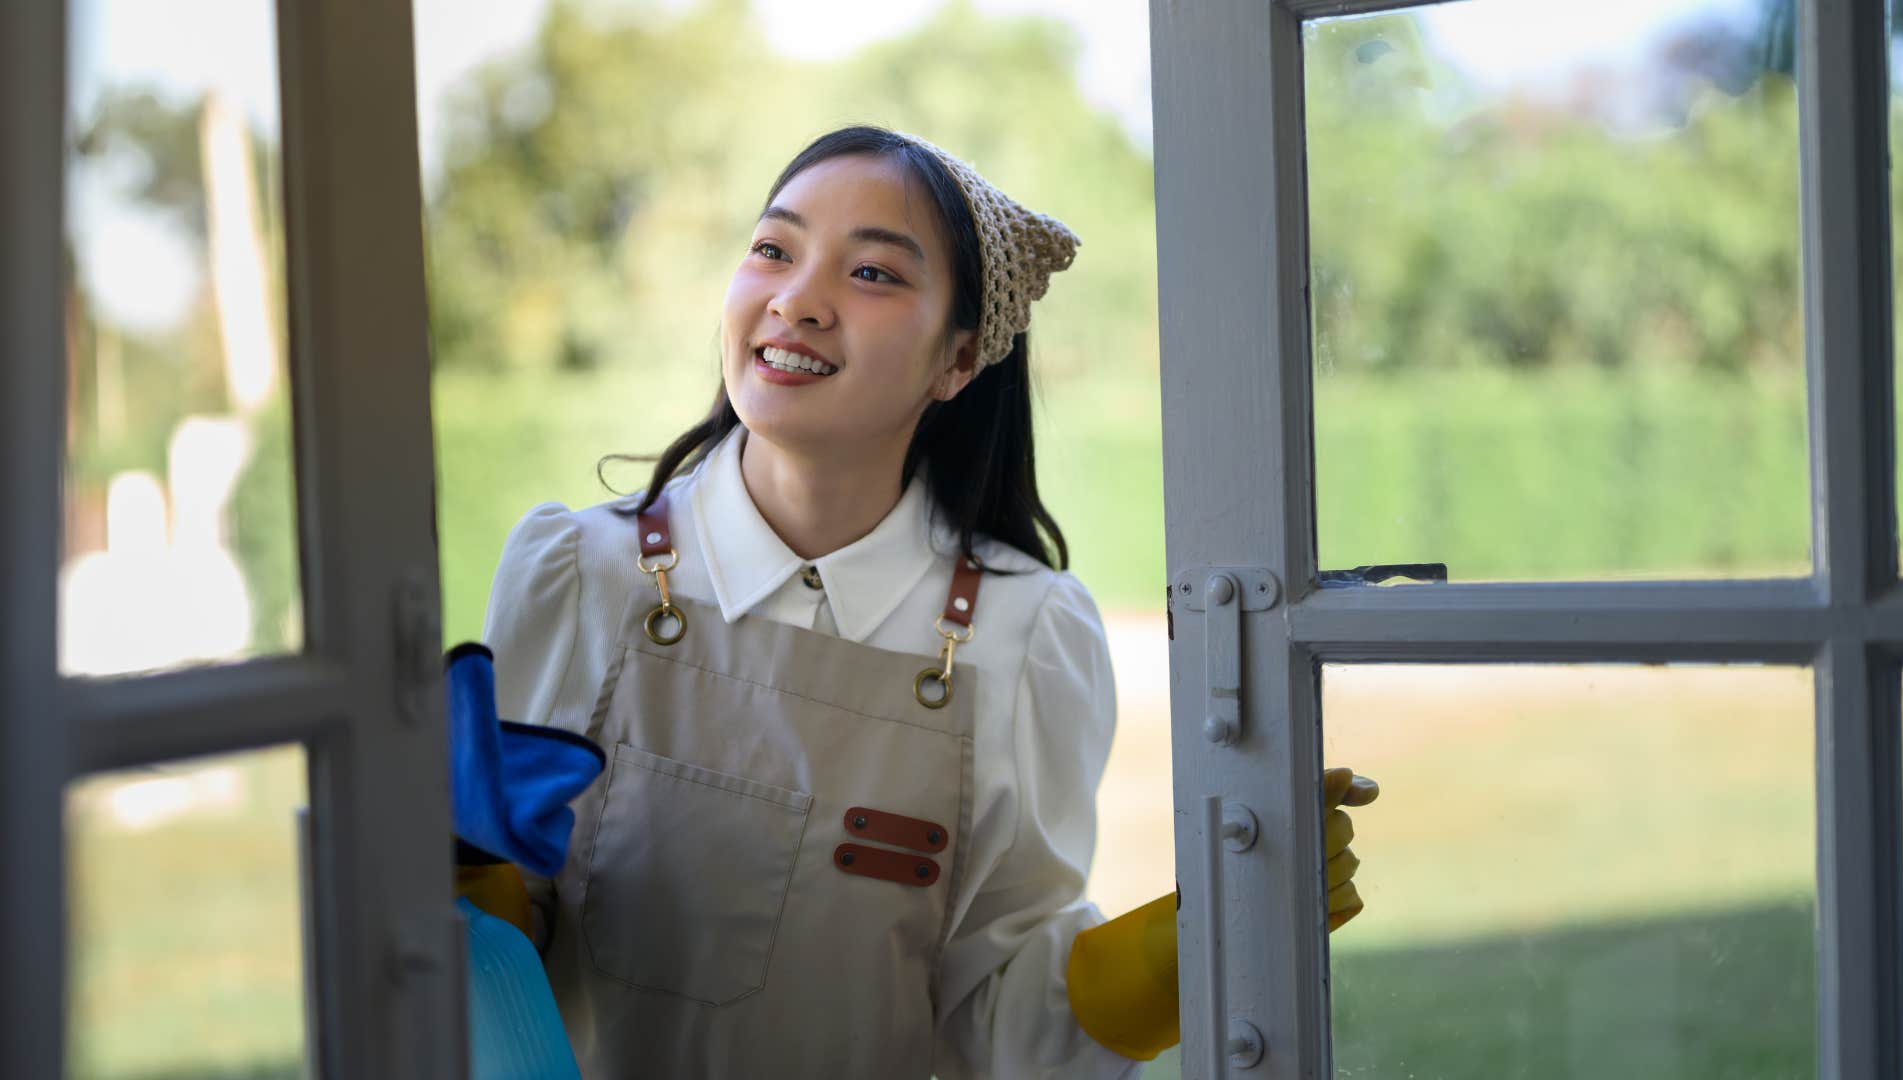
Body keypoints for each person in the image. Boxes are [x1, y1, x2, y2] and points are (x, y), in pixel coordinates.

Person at [478, 125, 1376, 1078]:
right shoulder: (577, 572)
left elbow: (1002, 1022)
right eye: (774, 250)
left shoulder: (1025, 634)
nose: (796, 300)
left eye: (871, 274)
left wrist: (1185, 953)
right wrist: (461, 886)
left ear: (957, 362)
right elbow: (500, 946)